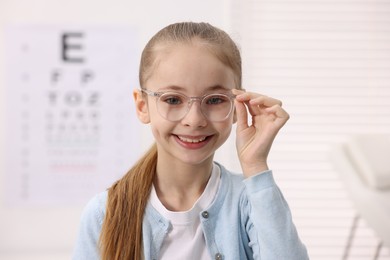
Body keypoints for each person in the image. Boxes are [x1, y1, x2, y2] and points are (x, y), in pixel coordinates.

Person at [72, 22, 309, 260]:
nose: (194, 120)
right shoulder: (105, 213)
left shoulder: (251, 201)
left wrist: (255, 164)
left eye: (215, 100)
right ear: (142, 106)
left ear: (238, 106)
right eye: (173, 100)